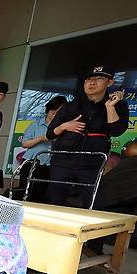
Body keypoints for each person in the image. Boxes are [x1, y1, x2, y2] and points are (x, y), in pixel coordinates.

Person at [46, 65, 129, 209]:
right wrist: (65, 126)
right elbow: (50, 133)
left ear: (109, 82)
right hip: (62, 161)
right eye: (89, 79)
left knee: (95, 206)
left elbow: (116, 131)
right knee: (54, 203)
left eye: (99, 79)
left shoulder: (118, 106)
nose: (92, 82)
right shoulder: (70, 106)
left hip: (91, 164)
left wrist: (110, 107)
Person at [18, 95, 68, 202]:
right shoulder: (36, 125)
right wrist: (41, 138)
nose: (55, 113)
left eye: (59, 111)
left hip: (49, 165)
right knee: (25, 192)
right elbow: (25, 143)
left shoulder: (63, 128)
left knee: (41, 194)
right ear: (48, 109)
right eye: (53, 110)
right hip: (31, 162)